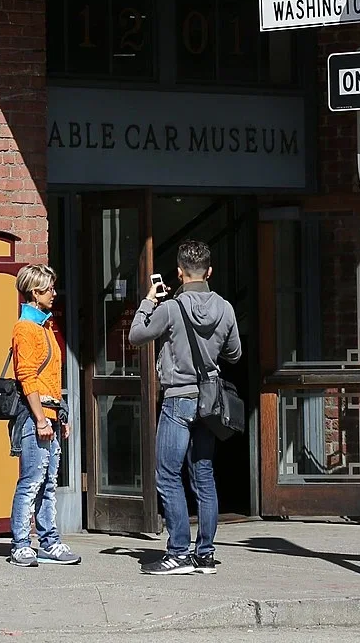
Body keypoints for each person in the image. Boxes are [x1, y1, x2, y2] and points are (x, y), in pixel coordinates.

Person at [129, 238, 241, 575]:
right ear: (209, 271)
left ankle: (178, 551)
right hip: (208, 404)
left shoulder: (170, 309)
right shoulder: (226, 308)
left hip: (178, 399)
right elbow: (235, 354)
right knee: (203, 476)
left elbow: (136, 335)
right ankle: (204, 555)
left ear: (179, 273)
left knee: (167, 474)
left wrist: (148, 303)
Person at [8, 263, 81, 567]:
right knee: (32, 480)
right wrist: (40, 419)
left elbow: (52, 377)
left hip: (51, 413)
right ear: (35, 292)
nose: (54, 293)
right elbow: (27, 377)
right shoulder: (26, 329)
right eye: (49, 288)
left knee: (49, 481)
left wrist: (59, 415)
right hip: (33, 416)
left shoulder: (46, 327)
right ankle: (21, 544)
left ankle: (50, 541)